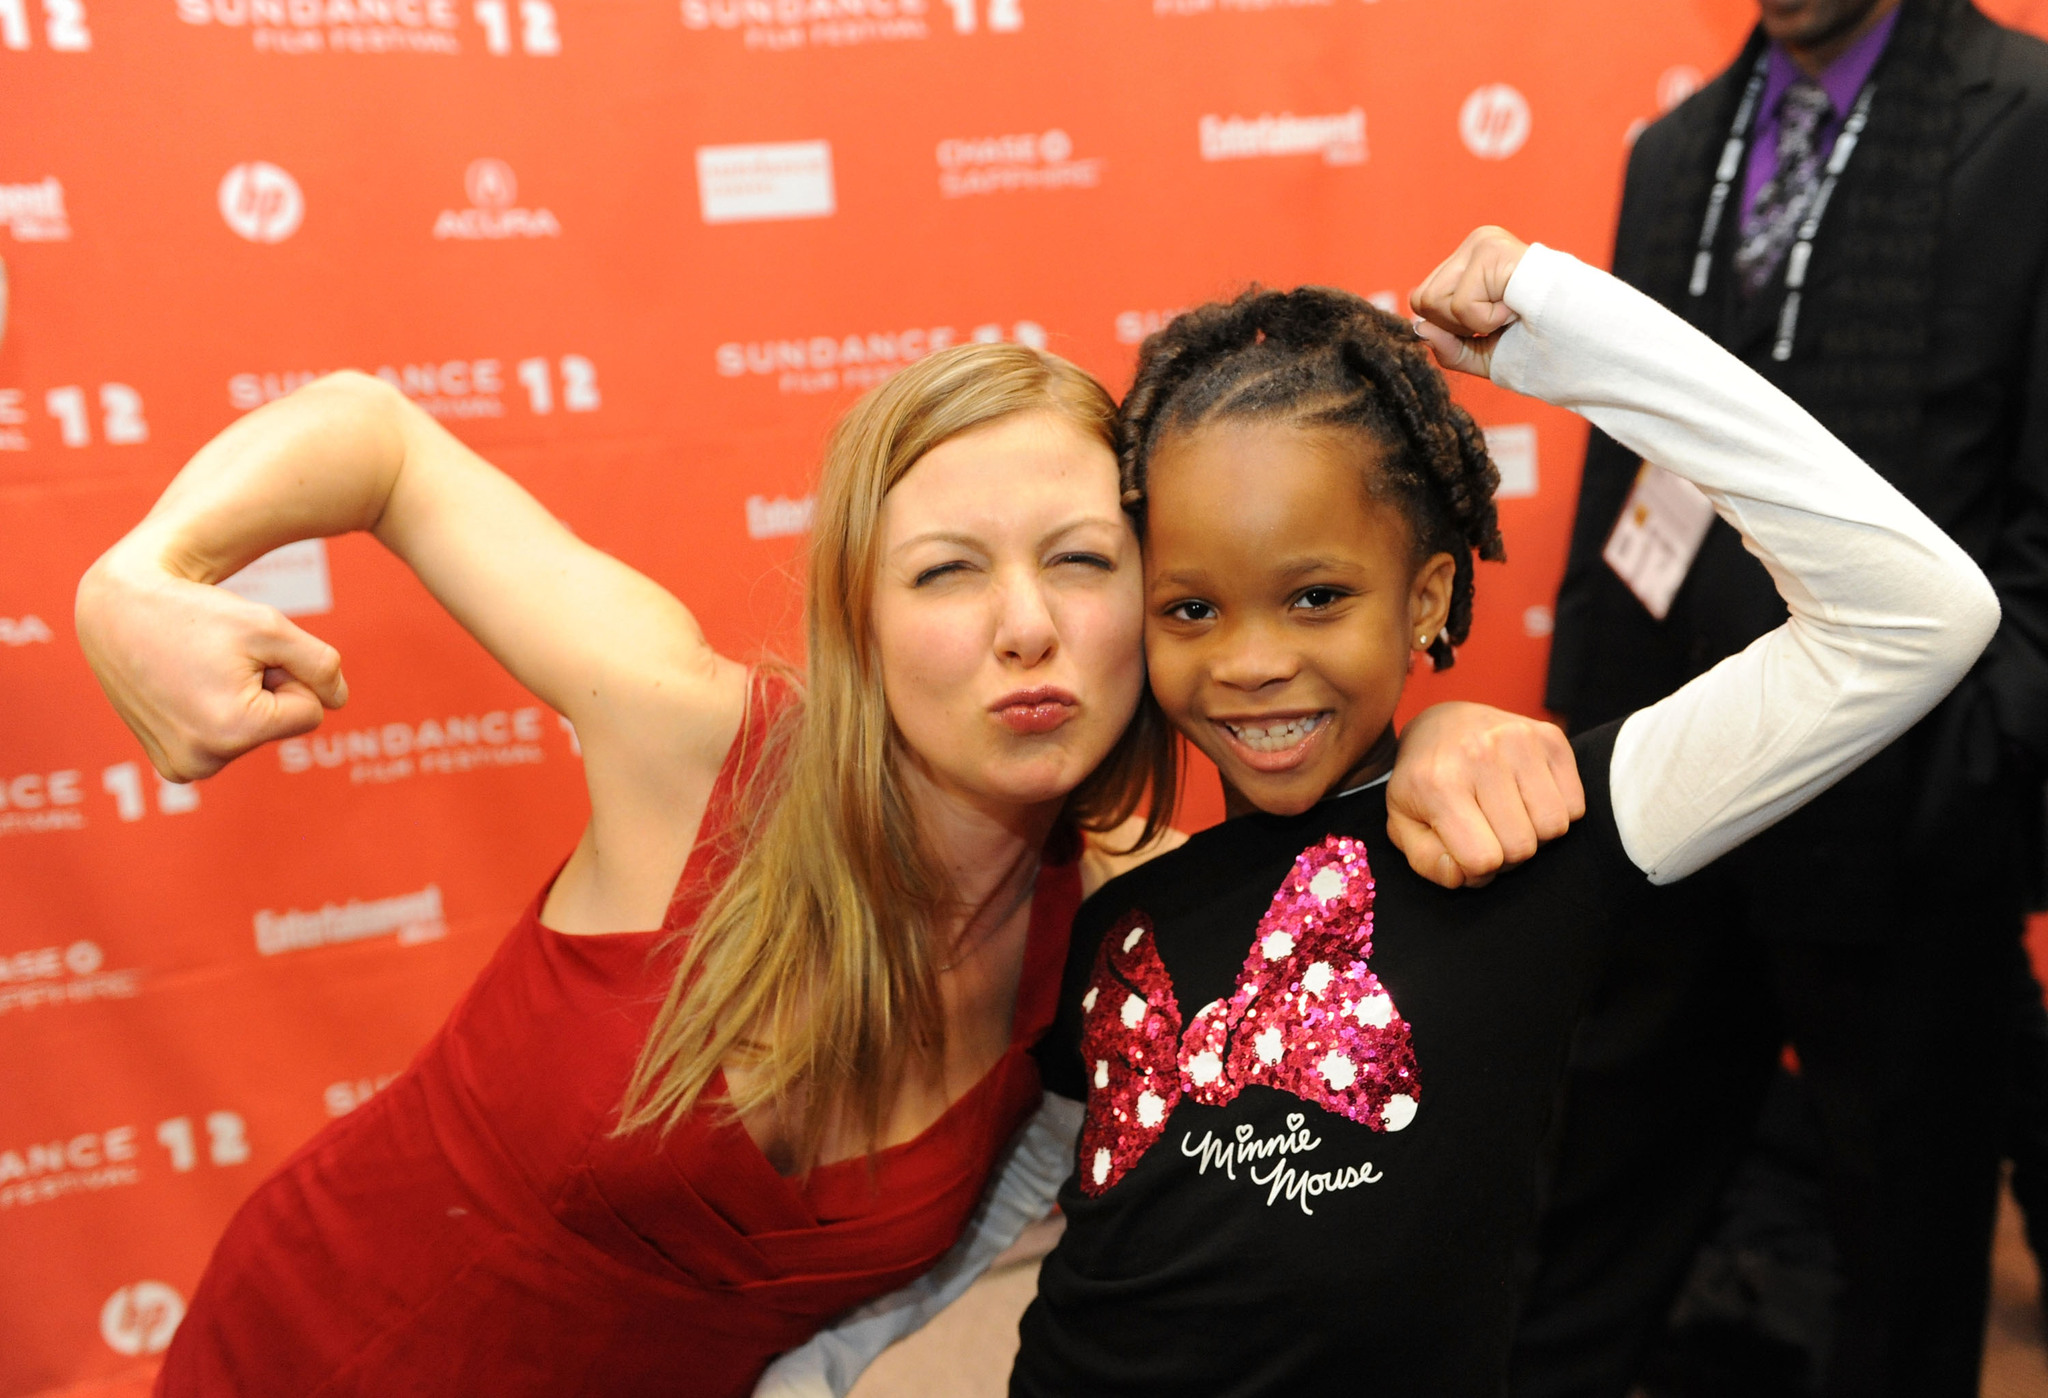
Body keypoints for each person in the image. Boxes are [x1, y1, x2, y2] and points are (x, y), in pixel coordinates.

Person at [74, 341, 1579, 1396]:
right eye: (945, 571)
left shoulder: (1127, 916)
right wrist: (137, 573)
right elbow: (377, 437)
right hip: (330, 1354)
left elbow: (1346, 846)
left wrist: (1447, 744)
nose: (1024, 626)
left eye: (1080, 560)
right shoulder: (699, 753)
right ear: (859, 620)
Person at [756, 225, 1996, 1396]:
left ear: (1426, 596)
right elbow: (1054, 1156)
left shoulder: (1530, 829)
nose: (1249, 661)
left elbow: (1916, 614)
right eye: (1192, 609)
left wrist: (1576, 337)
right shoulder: (1123, 912)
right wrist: (838, 1353)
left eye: (1312, 597)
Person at [1520, 0, 2048, 1391]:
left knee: (1907, 1255)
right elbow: (1622, 498)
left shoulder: (2028, 117)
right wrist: (1586, 759)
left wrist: (1979, 763)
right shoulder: (1675, 153)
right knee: (1595, 1216)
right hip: (1684, 781)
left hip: (1913, 812)